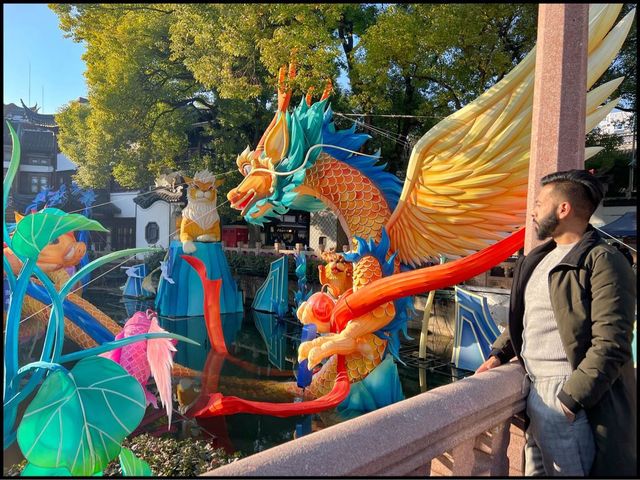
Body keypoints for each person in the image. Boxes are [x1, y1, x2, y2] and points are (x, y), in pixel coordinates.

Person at [476, 169, 636, 476]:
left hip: (565, 393)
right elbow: (524, 318)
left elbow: (612, 343)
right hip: (532, 389)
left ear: (563, 209)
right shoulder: (538, 258)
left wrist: (568, 400)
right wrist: (499, 354)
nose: (533, 211)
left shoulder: (603, 261)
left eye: (538, 203)